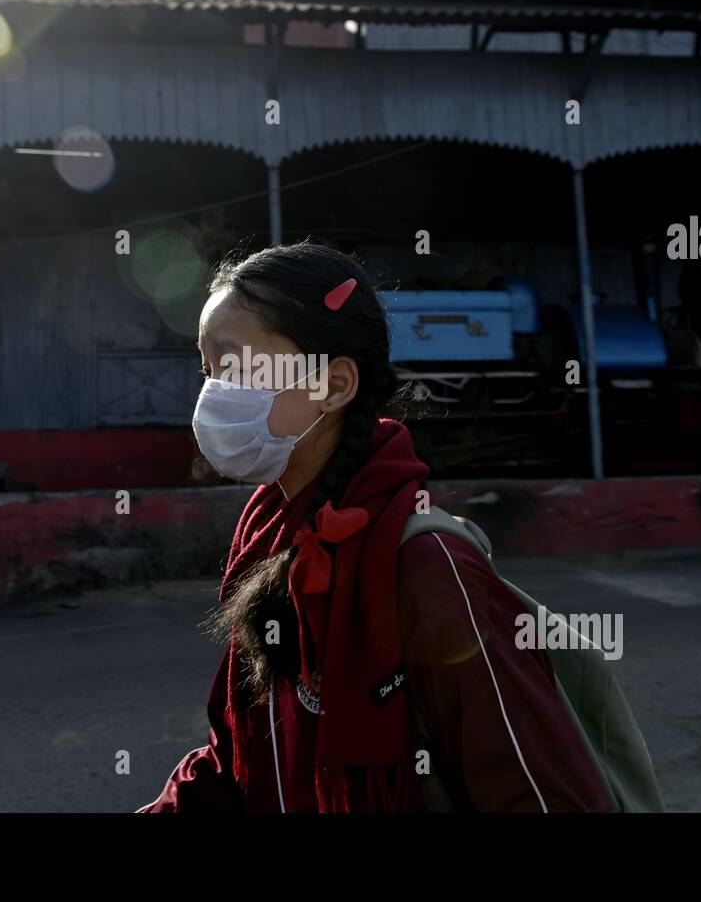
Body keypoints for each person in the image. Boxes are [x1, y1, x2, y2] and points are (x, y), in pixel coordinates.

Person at [135, 241, 611, 813]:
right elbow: (239, 756)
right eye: (209, 369)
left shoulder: (429, 568)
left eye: (236, 367)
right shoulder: (264, 532)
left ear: (335, 385)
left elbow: (544, 796)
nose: (213, 394)